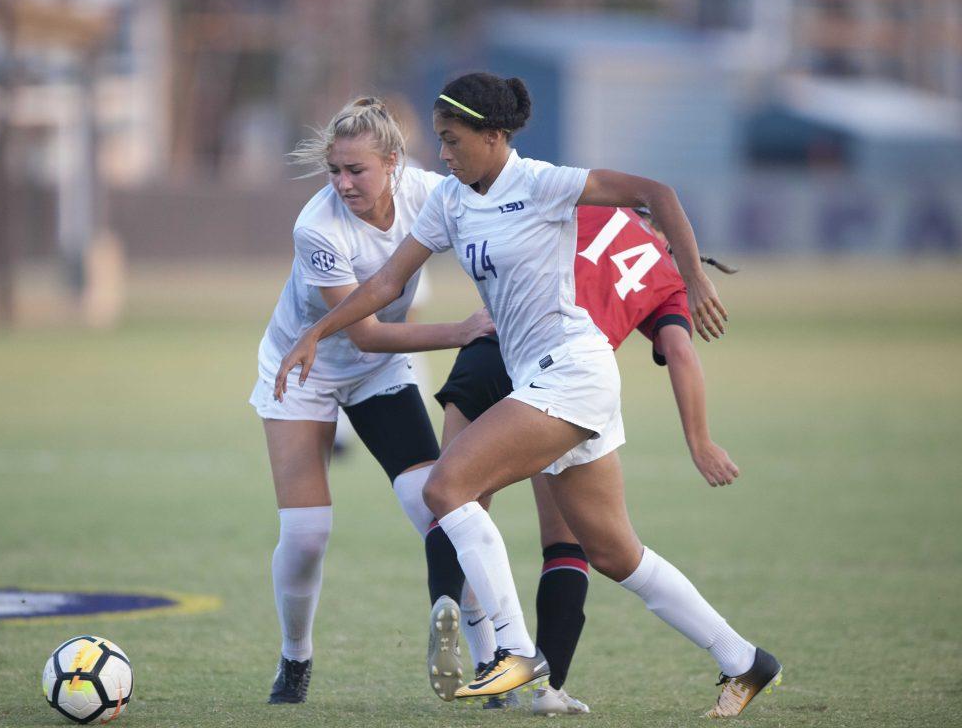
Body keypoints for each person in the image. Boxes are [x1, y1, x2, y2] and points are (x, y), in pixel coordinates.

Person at [274, 73, 781, 718]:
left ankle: (512, 653)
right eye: (439, 141)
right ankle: (744, 660)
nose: (445, 155)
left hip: (572, 371)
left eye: (454, 141)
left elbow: (657, 193)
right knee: (615, 553)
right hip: (541, 377)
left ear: (494, 137)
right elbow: (383, 285)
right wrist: (317, 332)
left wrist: (692, 277)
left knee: (444, 488)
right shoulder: (451, 200)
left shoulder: (542, 182)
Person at [435, 205, 742, 715]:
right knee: (585, 545)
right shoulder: (667, 277)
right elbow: (681, 353)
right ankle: (538, 681)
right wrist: (700, 441)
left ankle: (493, 651)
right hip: (570, 380)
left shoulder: (597, 206)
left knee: (457, 510)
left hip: (499, 353)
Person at [249, 97, 493, 704]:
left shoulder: (430, 192)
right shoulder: (316, 228)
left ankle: (494, 660)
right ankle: (295, 656)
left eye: (356, 170)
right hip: (303, 370)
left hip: (379, 373)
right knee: (306, 535)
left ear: (393, 162)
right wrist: (461, 332)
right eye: (334, 170)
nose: (343, 183)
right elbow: (364, 331)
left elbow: (506, 203)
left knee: (442, 511)